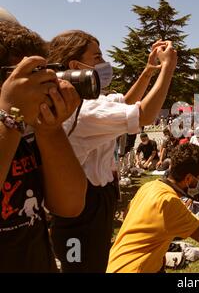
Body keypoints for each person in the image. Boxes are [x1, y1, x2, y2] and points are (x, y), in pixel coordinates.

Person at [47, 30, 177, 272]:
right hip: (84, 209)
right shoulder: (84, 110)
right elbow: (143, 114)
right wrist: (168, 68)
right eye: (97, 57)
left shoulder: (85, 102)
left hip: (94, 201)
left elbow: (127, 103)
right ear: (76, 65)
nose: (104, 63)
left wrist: (149, 71)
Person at [0, 21, 87, 272]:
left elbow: (70, 205)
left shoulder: (23, 131)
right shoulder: (12, 123)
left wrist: (49, 128)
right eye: (26, 75)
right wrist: (10, 116)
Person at [107, 144, 199, 273]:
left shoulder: (149, 186)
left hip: (117, 265)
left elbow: (126, 215)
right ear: (189, 179)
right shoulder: (170, 202)